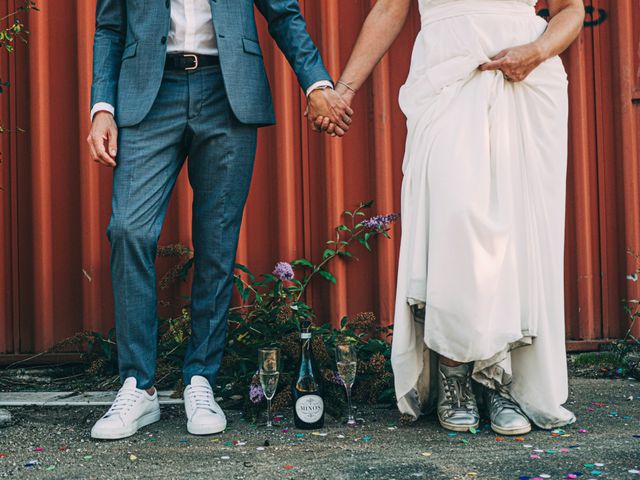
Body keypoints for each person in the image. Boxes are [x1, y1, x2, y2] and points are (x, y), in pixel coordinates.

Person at [86, 0, 353, 440]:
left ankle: (200, 379)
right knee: (128, 230)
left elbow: (283, 13)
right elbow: (109, 28)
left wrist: (315, 83)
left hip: (227, 90)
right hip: (147, 92)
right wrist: (102, 107)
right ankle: (138, 385)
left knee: (217, 243)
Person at [319, 0, 585, 434]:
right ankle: (455, 374)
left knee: (516, 234)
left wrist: (535, 53)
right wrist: (344, 90)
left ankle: (500, 381)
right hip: (448, 75)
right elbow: (389, 8)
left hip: (527, 79)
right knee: (455, 217)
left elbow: (570, 9)